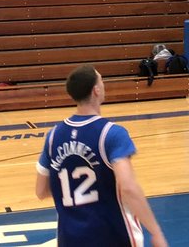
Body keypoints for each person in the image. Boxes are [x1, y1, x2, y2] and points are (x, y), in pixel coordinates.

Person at [35, 64, 168, 247]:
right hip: (111, 236)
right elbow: (128, 187)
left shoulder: (53, 136)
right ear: (96, 90)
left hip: (69, 239)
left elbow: (41, 191)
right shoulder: (111, 133)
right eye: (102, 80)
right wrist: (155, 231)